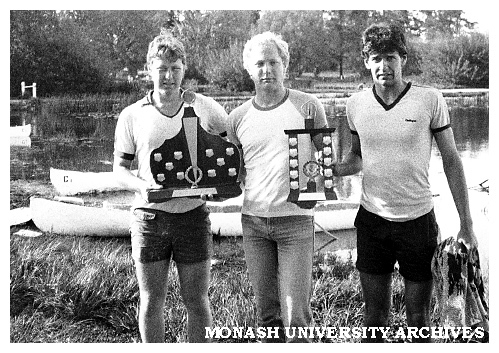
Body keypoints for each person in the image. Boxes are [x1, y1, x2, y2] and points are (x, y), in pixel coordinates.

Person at [332, 23, 478, 342]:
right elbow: (357, 157)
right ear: (366, 60)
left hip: (418, 223)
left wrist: (467, 224)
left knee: (418, 318)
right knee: (374, 317)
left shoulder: (429, 99)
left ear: (404, 59)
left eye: (391, 57)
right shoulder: (355, 104)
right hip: (372, 221)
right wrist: (336, 170)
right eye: (376, 58)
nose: (384, 65)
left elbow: (452, 160)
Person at [113, 32, 228, 343]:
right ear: (150, 68)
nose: (168, 76)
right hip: (149, 219)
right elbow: (120, 171)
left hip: (193, 217)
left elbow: (229, 138)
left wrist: (219, 182)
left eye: (175, 68)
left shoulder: (202, 107)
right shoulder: (132, 114)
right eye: (161, 68)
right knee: (152, 302)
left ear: (184, 69)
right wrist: (141, 186)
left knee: (197, 302)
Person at [226, 31, 330, 343]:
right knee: (266, 314)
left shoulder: (308, 106)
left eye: (273, 62)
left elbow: (326, 159)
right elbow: (236, 173)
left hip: (296, 223)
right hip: (254, 224)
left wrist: (318, 186)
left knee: (296, 315)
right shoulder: (237, 118)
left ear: (284, 64)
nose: (267, 70)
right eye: (259, 64)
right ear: (248, 68)